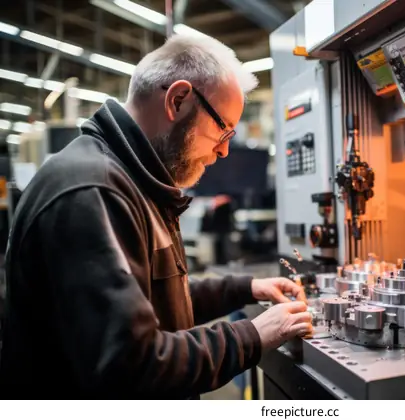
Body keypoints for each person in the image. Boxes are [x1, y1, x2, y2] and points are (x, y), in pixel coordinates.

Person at [0, 34, 313, 399]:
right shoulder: (92, 191)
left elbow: (154, 299)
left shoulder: (133, 180)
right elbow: (132, 365)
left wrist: (243, 289)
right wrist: (253, 335)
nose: (225, 150)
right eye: (223, 129)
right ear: (178, 100)